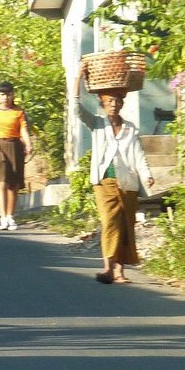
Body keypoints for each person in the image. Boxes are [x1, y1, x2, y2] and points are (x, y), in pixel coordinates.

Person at [75, 61, 154, 284]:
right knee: (110, 221)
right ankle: (107, 267)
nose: (114, 105)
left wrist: (146, 174)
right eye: (110, 101)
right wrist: (77, 79)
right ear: (102, 103)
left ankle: (119, 271)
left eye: (117, 101)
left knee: (126, 224)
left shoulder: (130, 128)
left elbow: (139, 155)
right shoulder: (97, 124)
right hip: (104, 180)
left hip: (128, 182)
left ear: (122, 103)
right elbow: (76, 109)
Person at [0, 82, 31, 231]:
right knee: (1, 183)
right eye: (2, 94)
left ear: (13, 95)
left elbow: (23, 130)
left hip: (15, 146)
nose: (5, 97)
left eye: (8, 94)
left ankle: (10, 216)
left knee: (14, 185)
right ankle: (3, 217)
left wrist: (28, 144)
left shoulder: (18, 112)